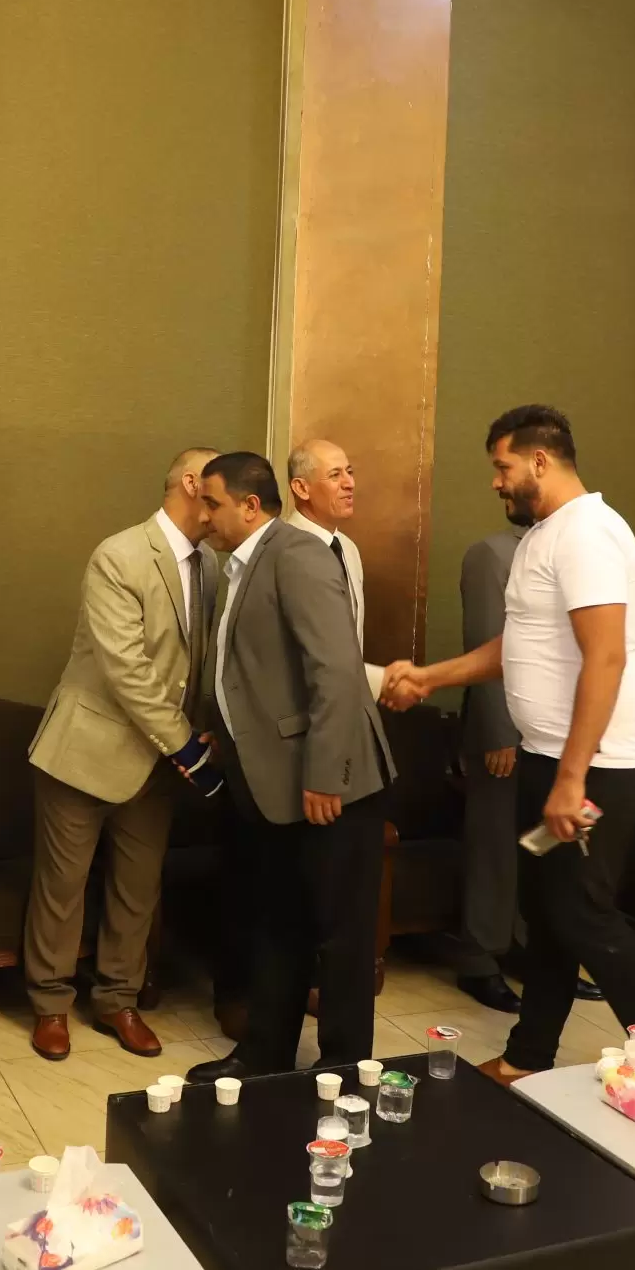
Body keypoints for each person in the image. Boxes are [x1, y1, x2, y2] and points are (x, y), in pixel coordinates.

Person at [382, 406, 635, 1088]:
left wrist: (572, 777)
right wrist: (431, 676)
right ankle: (528, 1054)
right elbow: (520, 644)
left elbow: (606, 657)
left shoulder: (588, 534)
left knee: (582, 910)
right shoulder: (544, 535)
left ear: (540, 460)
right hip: (547, 757)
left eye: (502, 467)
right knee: (549, 909)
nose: (496, 482)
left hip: (596, 769)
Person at [186, 452, 393, 1083]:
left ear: (250, 506)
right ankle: (264, 1056)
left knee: (341, 938)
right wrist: (225, 733)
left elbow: (335, 672)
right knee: (279, 925)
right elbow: (250, 671)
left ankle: (343, 1072)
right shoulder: (245, 562)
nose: (204, 516)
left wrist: (325, 774)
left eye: (213, 503)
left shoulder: (298, 555)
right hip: (273, 782)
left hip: (331, 783)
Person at [20, 448, 219, 1061]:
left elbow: (200, 661)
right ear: (192, 483)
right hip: (87, 750)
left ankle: (117, 1000)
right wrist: (186, 745)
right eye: (218, 485)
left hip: (158, 760)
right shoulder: (120, 554)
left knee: (138, 887)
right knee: (63, 887)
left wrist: (202, 730)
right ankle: (50, 1005)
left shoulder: (211, 565)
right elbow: (127, 669)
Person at [450, 525, 529, 1014]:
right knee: (494, 849)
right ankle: (479, 961)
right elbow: (485, 643)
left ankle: (521, 948)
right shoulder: (491, 553)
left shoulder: (560, 548)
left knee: (535, 849)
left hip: (550, 736)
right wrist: (499, 731)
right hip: (504, 732)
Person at [285, 438, 385, 698]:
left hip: (346, 702)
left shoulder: (348, 549)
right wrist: (386, 681)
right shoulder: (279, 550)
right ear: (301, 488)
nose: (349, 483)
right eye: (334, 475)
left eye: (349, 472)